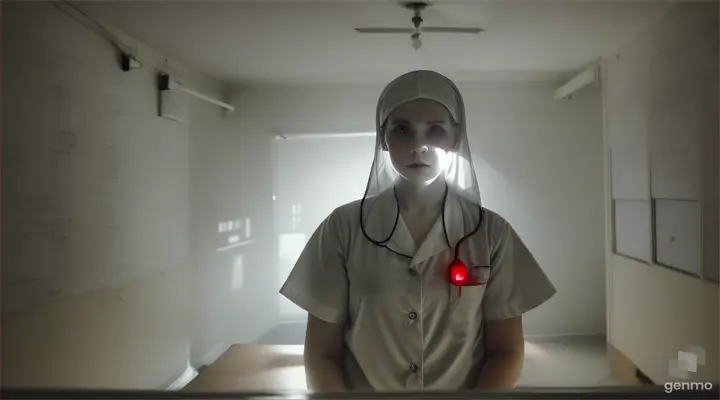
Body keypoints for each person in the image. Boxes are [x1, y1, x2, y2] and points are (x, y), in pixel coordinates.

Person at [279, 70, 556, 391]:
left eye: (435, 130)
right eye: (402, 129)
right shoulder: (342, 229)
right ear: (383, 137)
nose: (419, 145)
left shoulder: (491, 233)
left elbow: (505, 352)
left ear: (456, 137)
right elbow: (321, 354)